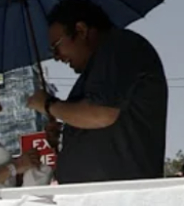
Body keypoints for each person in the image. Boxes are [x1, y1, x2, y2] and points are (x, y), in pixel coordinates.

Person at [26, 0, 167, 184]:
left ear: (81, 30)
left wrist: (48, 104)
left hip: (122, 198)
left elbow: (101, 114)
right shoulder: (97, 69)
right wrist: (63, 139)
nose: (57, 57)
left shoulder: (119, 48)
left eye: (56, 47)